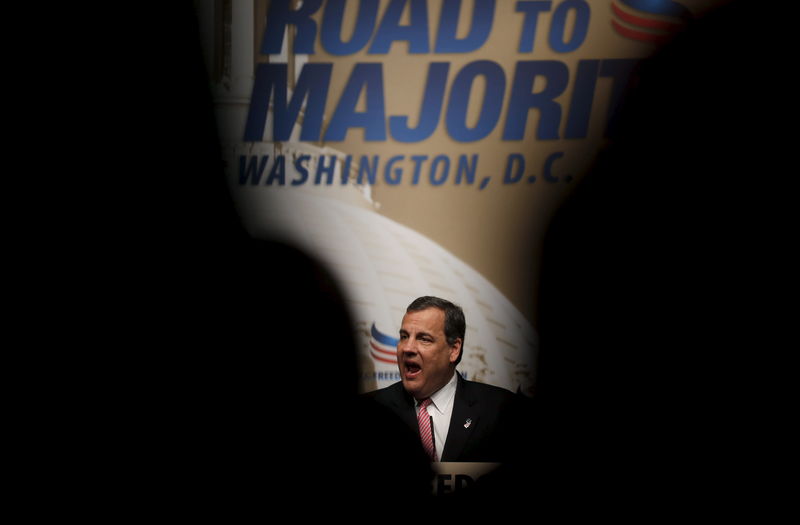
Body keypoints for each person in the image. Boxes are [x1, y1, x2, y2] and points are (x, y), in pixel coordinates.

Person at [366, 296, 528, 463]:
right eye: (404, 336)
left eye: (424, 339)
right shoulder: (367, 412)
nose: (407, 348)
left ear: (454, 350)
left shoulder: (502, 410)